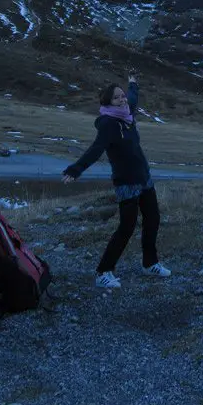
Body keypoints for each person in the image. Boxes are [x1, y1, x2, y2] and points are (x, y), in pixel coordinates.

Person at [62, 72, 171, 288]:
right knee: (126, 227)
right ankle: (103, 272)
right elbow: (96, 149)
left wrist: (133, 84)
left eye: (122, 96)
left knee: (153, 219)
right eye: (116, 98)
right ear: (107, 103)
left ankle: (150, 264)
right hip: (126, 183)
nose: (122, 100)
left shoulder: (127, 114)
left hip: (144, 178)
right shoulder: (109, 124)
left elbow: (133, 98)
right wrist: (76, 169)